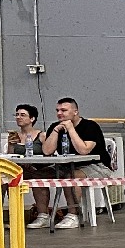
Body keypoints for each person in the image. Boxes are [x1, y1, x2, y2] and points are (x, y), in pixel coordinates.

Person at [38, 97, 115, 230]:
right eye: (57, 110)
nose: (59, 113)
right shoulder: (55, 126)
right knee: (38, 176)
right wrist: (56, 131)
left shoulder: (90, 126)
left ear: (75, 112)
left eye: (64, 110)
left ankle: (73, 215)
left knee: (71, 177)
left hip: (96, 165)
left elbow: (83, 150)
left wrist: (71, 129)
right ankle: (43, 215)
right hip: (66, 165)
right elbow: (47, 151)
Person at [8, 103, 44, 226]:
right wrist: (11, 144)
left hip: (39, 168)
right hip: (21, 169)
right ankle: (9, 216)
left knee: (38, 179)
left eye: (23, 115)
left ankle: (43, 215)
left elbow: (48, 152)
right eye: (17, 115)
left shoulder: (41, 135)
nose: (18, 117)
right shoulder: (14, 136)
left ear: (32, 118)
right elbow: (10, 157)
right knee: (4, 180)